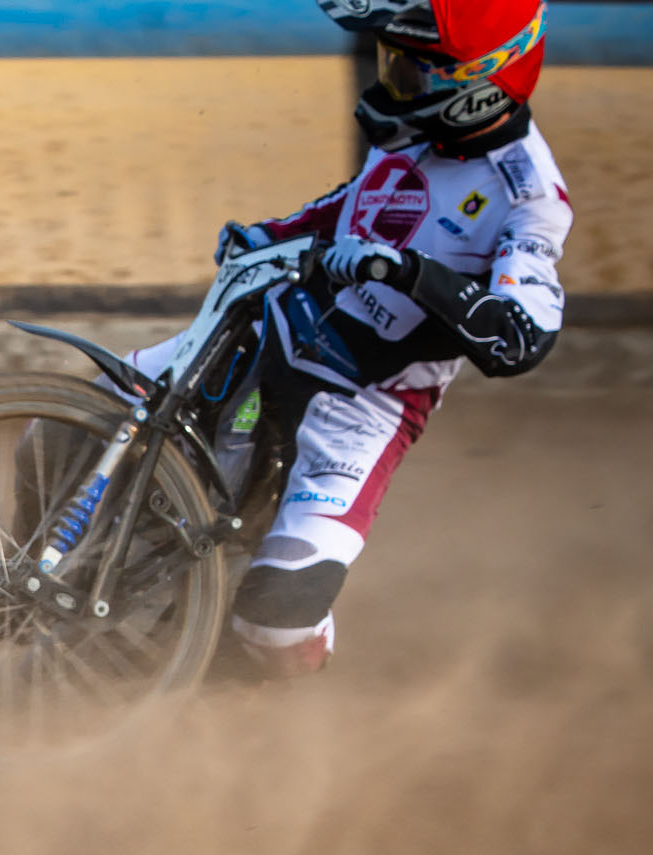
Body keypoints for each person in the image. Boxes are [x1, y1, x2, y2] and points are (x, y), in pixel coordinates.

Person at [149, 0, 570, 676]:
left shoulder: (529, 197)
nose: (391, 83)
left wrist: (409, 273)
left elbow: (520, 337)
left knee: (274, 623)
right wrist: (269, 234)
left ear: (478, 84)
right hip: (276, 331)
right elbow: (346, 207)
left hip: (366, 404)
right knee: (72, 423)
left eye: (411, 71)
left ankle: (254, 719)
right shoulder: (410, 137)